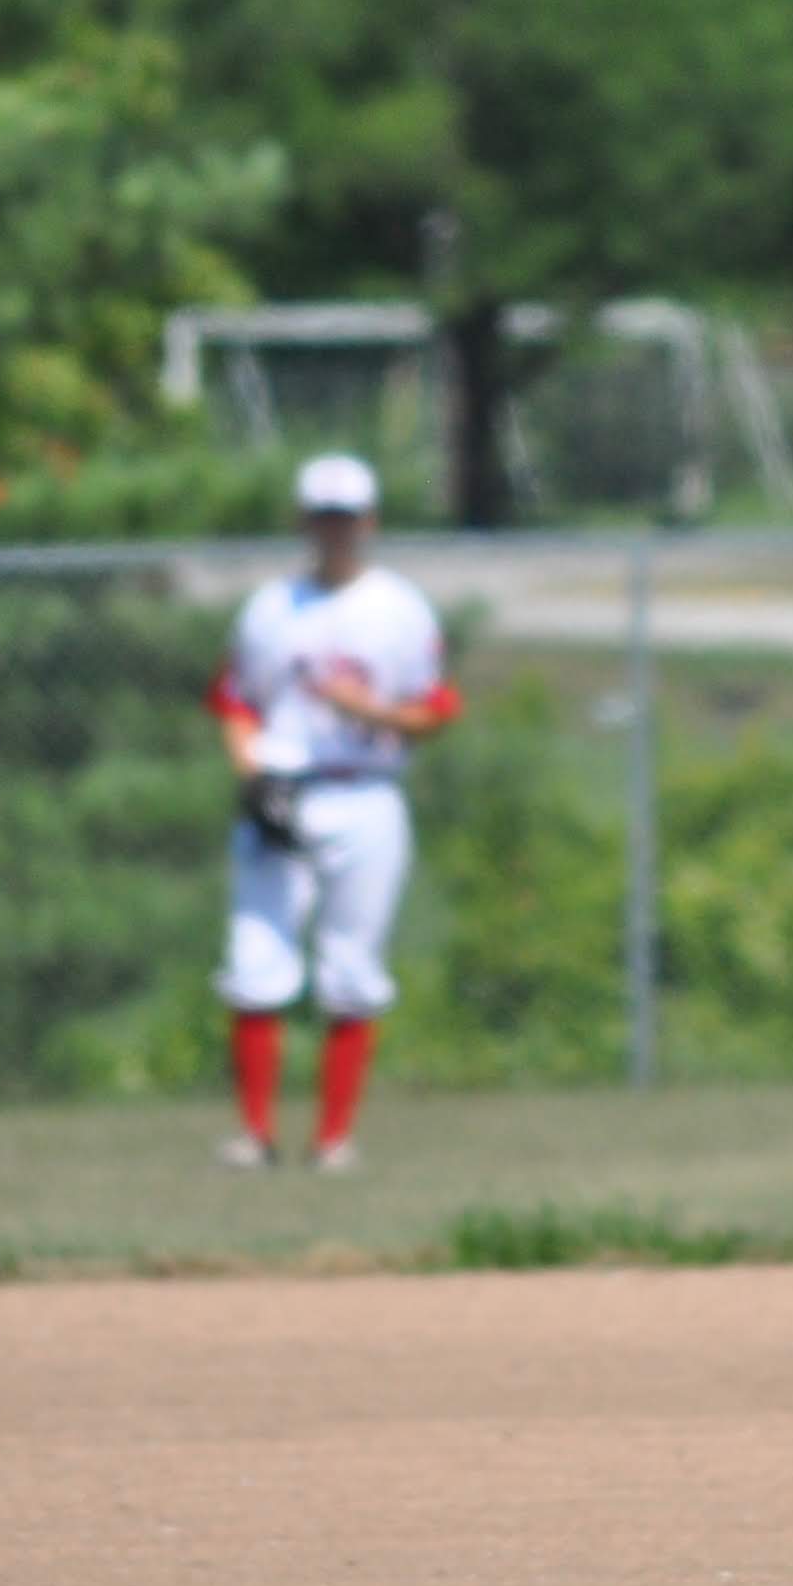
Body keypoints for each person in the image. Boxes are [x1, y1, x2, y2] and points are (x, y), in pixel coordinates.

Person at [206, 452, 458, 1173]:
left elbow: (435, 711)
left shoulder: (399, 608)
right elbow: (236, 702)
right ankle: (255, 1135)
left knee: (352, 968)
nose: (335, 531)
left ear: (369, 522)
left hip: (366, 791)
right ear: (303, 521)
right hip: (283, 787)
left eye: (346, 518)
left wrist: (367, 710)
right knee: (255, 960)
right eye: (323, 517)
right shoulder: (269, 608)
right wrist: (252, 774)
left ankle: (333, 1139)